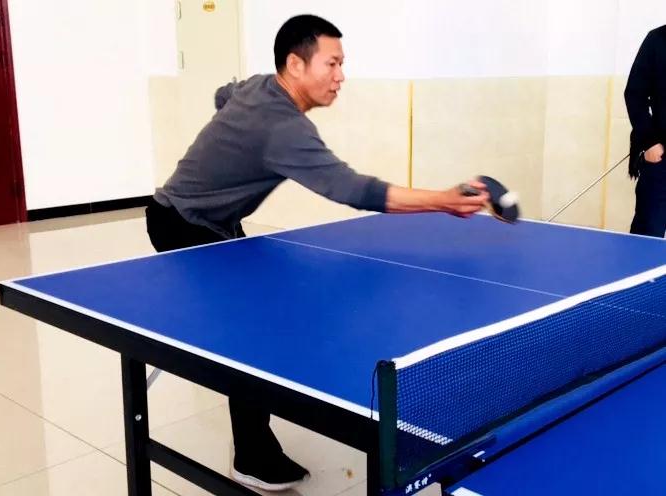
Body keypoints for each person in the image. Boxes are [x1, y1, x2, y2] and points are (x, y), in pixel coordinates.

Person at [146, 14, 488, 491]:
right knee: (251, 331)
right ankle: (251, 455)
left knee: (261, 317)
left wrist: (229, 126)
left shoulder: (261, 86)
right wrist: (443, 200)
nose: (341, 75)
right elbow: (350, 188)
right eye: (332, 63)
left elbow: (225, 93)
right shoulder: (283, 127)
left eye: (342, 64)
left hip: (210, 220)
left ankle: (253, 434)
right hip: (182, 224)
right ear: (295, 64)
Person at [625, 24, 666, 238]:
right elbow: (634, 93)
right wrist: (649, 142)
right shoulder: (657, 39)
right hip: (661, 160)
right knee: (647, 233)